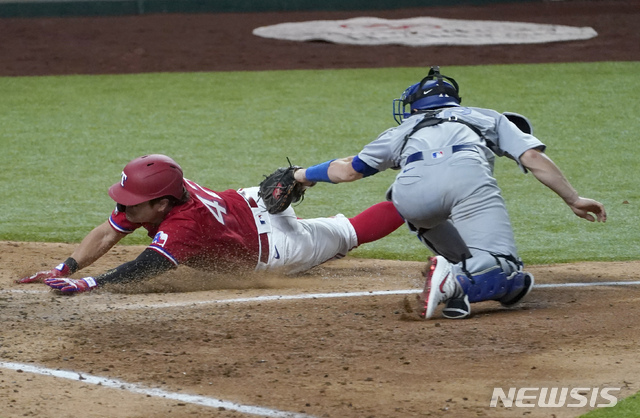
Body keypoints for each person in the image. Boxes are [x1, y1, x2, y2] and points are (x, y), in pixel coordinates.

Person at [287, 66, 607, 320]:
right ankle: (452, 280)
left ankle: (470, 283)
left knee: (504, 276)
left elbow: (347, 171)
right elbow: (532, 158)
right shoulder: (486, 116)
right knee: (504, 265)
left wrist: (301, 174)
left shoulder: (400, 131)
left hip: (410, 198)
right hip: (469, 185)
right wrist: (573, 198)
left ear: (415, 105)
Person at [17, 154, 404, 292]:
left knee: (349, 233)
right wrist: (66, 267)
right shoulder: (165, 188)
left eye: (133, 204)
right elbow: (107, 232)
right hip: (253, 200)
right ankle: (304, 176)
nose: (125, 210)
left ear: (162, 202)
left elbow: (146, 266)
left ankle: (415, 200)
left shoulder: (184, 224)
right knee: (331, 232)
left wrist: (91, 282)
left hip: (280, 249)